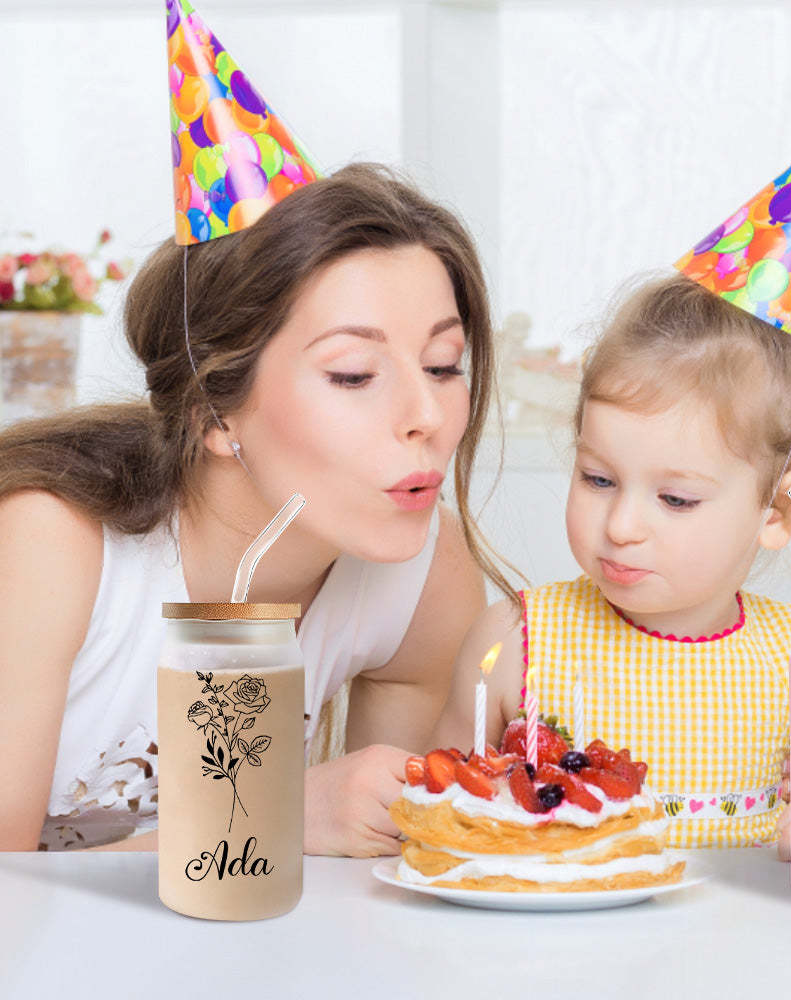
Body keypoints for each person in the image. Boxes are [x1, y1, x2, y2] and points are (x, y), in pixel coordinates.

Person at [0, 163, 516, 856]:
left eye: (443, 364)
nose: (428, 416)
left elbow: (382, 876)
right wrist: (278, 817)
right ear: (213, 412)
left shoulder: (421, 577)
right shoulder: (46, 544)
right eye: (354, 375)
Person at [432, 269, 791, 851]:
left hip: (758, 942)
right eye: (598, 478)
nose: (620, 526)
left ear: (777, 509)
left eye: (676, 499)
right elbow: (433, 816)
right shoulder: (516, 643)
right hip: (571, 940)